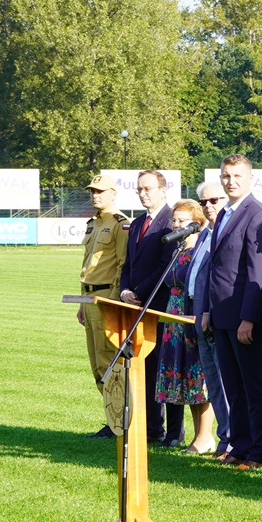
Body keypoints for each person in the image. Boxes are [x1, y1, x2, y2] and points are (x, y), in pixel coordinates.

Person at [199, 154, 262, 470]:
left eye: (237, 176)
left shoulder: (258, 215)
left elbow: (258, 272)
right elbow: (214, 269)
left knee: (253, 386)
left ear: (250, 179)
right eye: (226, 176)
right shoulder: (224, 214)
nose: (231, 181)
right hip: (221, 316)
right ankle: (240, 447)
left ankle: (259, 453)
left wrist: (248, 318)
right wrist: (206, 310)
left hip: (246, 318)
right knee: (233, 386)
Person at [118, 170, 182, 445]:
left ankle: (174, 432)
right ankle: (151, 427)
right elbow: (127, 264)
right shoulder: (137, 223)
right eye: (139, 190)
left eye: (148, 189)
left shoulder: (172, 221)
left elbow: (165, 266)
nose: (144, 194)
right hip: (134, 306)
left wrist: (138, 292)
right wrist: (124, 291)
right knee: (142, 367)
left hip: (160, 305)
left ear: (163, 190)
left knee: (166, 368)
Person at [155, 199, 215, 450]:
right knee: (186, 379)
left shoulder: (201, 250)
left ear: (197, 223)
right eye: (175, 220)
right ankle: (196, 436)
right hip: (173, 318)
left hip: (191, 315)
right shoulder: (176, 249)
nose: (177, 225)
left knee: (198, 376)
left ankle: (205, 436)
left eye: (183, 221)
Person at [77, 174, 128, 437]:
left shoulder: (120, 224)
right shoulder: (93, 223)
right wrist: (82, 300)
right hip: (89, 299)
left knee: (108, 362)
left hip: (106, 299)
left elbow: (122, 264)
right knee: (96, 364)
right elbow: (87, 264)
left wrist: (116, 302)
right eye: (92, 191)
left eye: (100, 191)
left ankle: (119, 421)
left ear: (112, 193)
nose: (95, 195)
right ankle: (112, 419)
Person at [186, 183, 230, 455]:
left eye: (214, 200)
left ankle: (231, 441)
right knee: (212, 386)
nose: (208, 206)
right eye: (203, 202)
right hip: (198, 320)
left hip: (216, 320)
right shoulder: (204, 234)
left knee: (225, 386)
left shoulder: (224, 234)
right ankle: (224, 438)